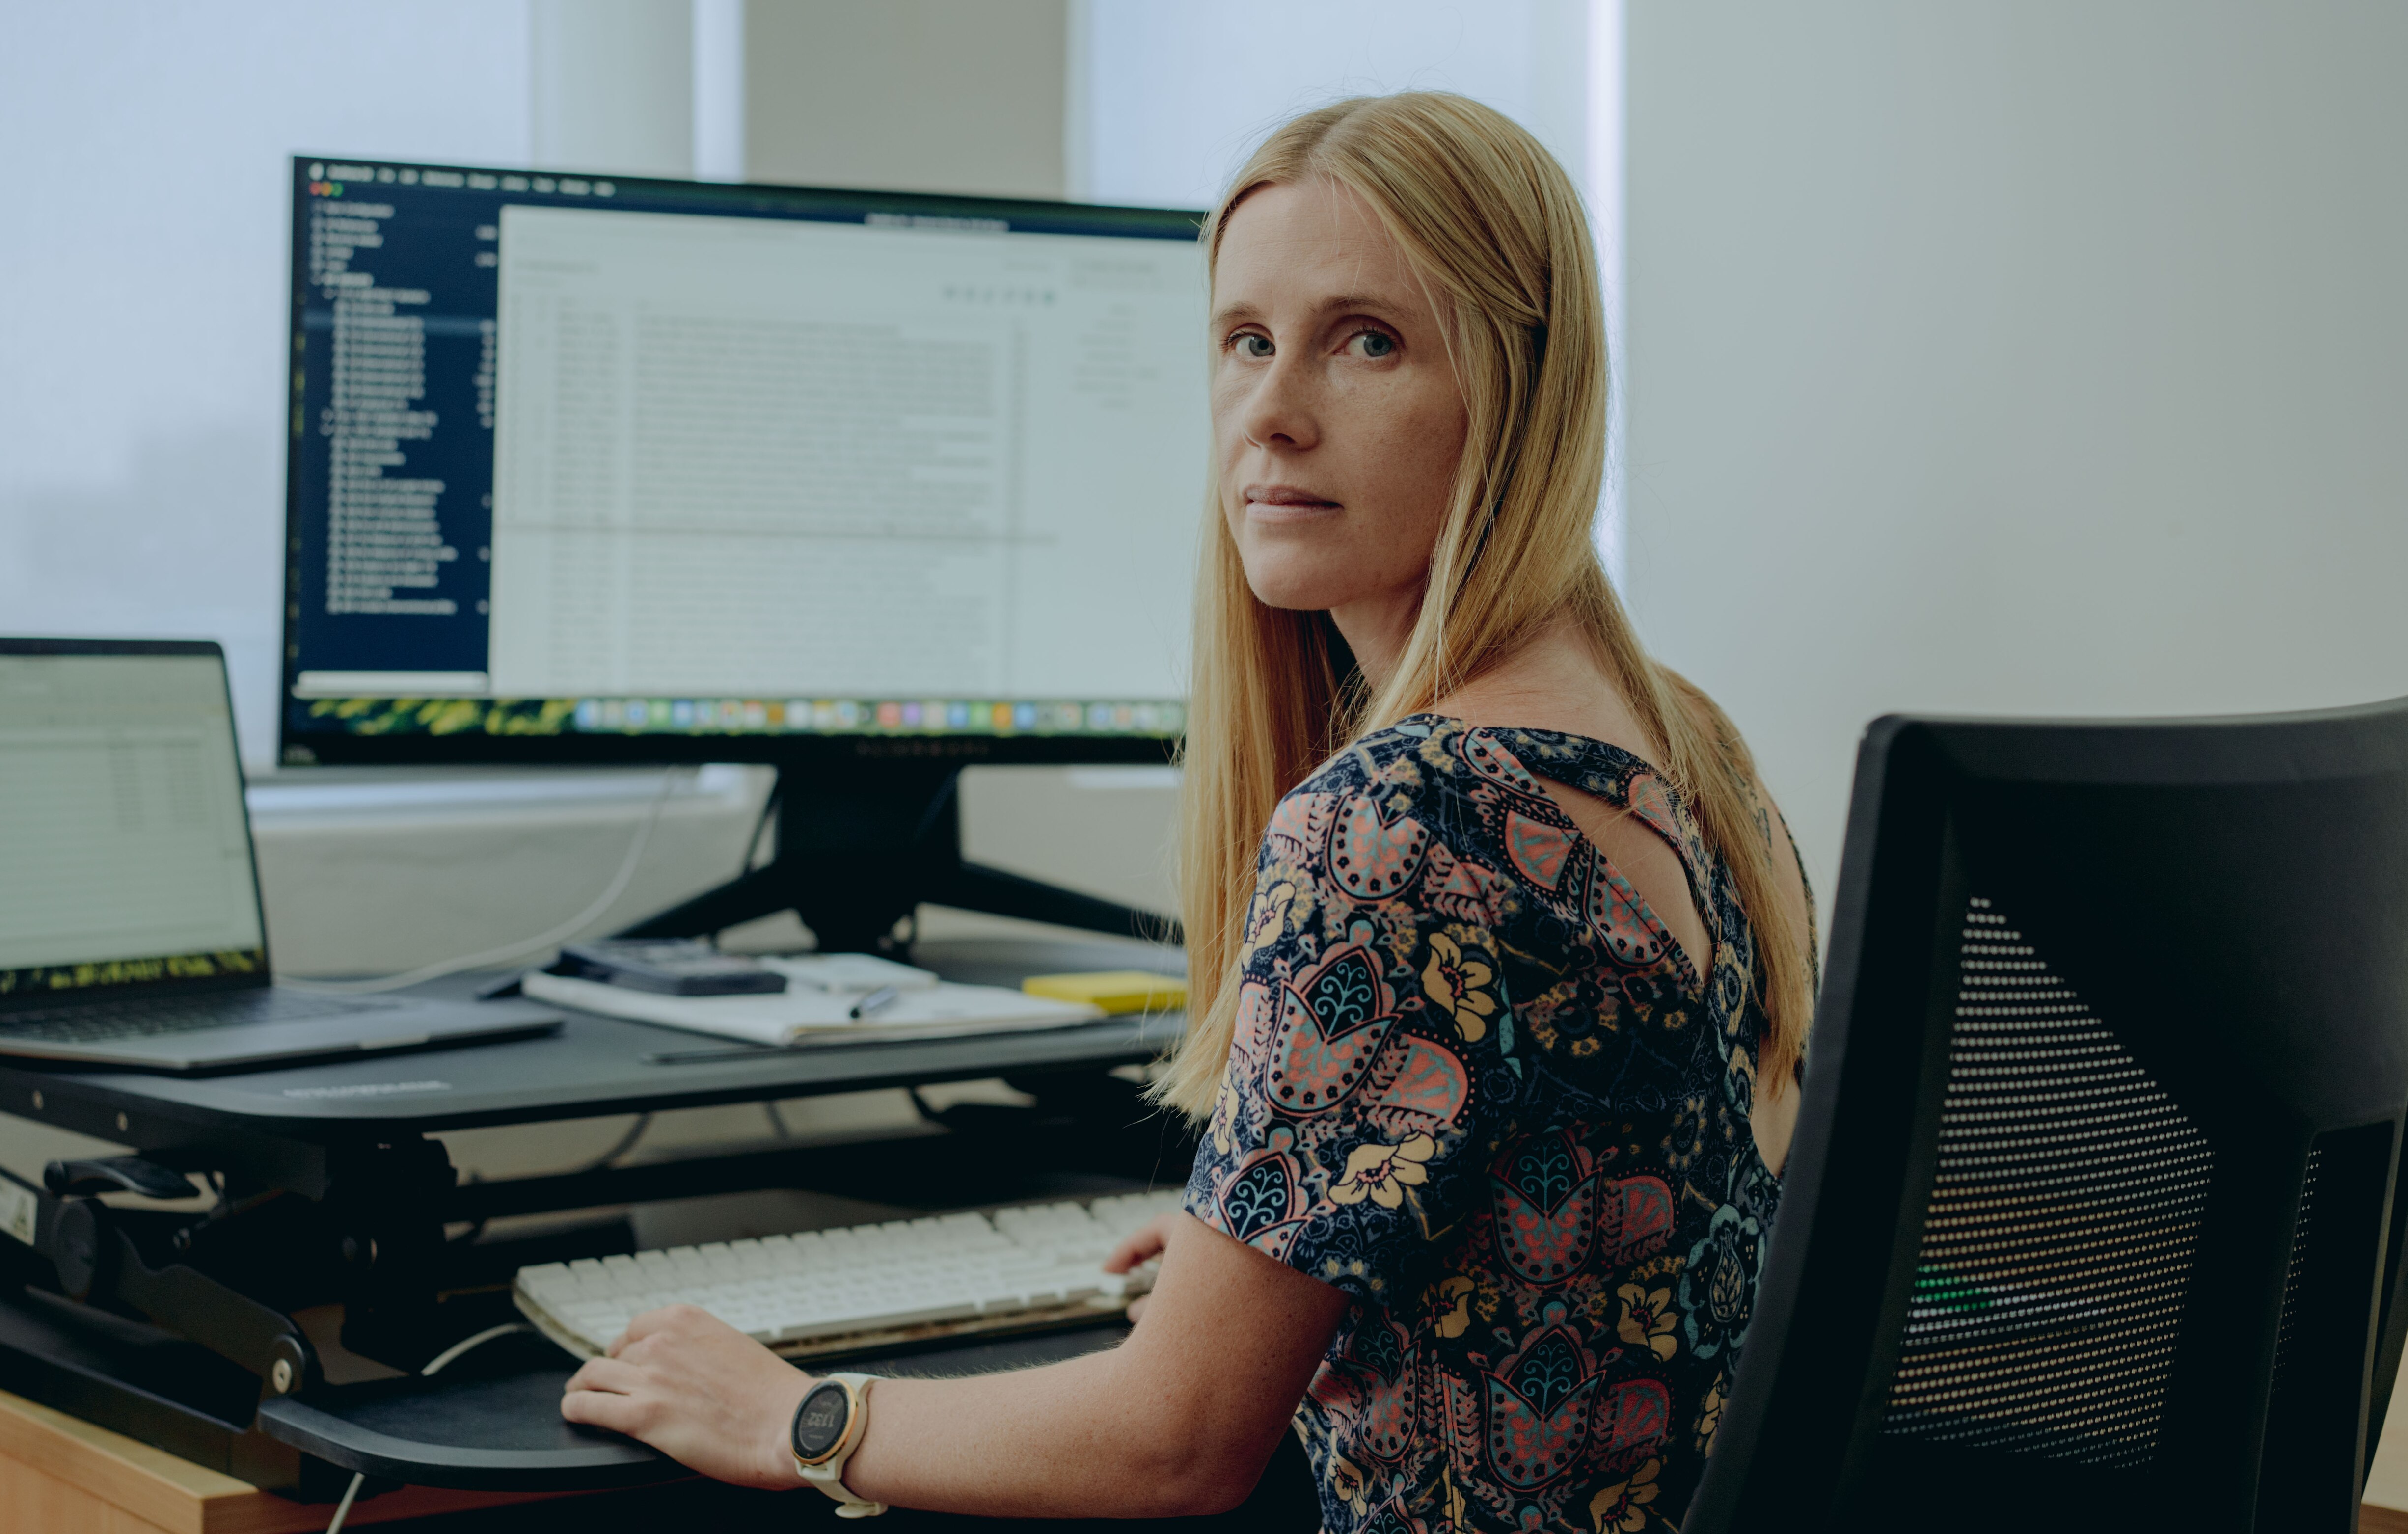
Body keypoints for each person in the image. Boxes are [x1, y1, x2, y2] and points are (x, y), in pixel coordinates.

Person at [561, 90, 1815, 1531]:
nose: (1272, 414)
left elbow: (1174, 1443)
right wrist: (1275, 1253)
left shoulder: (1406, 816)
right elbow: (1617, 1244)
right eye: (1245, 342)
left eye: (1368, 341)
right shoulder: (1684, 746)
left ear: (1517, 390)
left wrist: (795, 1413)